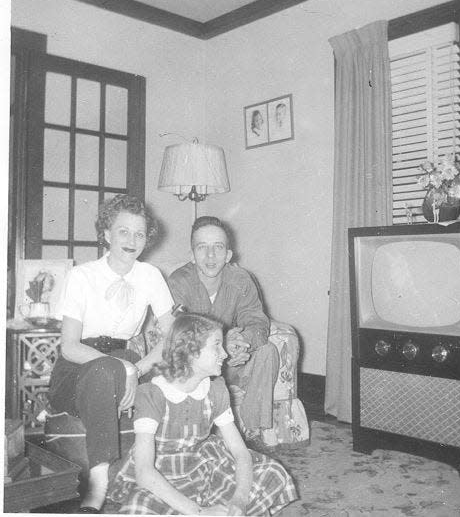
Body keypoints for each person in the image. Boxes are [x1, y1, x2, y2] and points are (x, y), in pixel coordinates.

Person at [47, 194, 175, 513]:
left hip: (126, 362)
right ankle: (99, 483)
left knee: (147, 378)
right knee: (108, 369)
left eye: (139, 234)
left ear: (147, 239)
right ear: (106, 234)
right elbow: (69, 346)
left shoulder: (150, 276)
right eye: (123, 231)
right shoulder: (82, 276)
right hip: (77, 368)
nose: (131, 240)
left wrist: (140, 367)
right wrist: (123, 366)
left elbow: (175, 332)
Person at [108, 313, 297, 515]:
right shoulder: (153, 394)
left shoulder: (216, 390)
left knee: (273, 472)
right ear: (191, 351)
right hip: (161, 474)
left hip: (203, 466)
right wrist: (198, 512)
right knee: (140, 507)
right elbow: (145, 472)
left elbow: (240, 452)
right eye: (216, 345)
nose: (224, 354)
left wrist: (239, 501)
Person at [167, 216, 279, 449]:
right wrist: (221, 345)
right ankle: (199, 437)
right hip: (196, 365)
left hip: (232, 363)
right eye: (202, 248)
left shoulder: (240, 279)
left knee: (267, 351)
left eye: (218, 247)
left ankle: (252, 435)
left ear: (228, 255)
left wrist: (243, 343)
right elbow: (179, 335)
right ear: (191, 255)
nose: (210, 256)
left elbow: (257, 322)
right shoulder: (179, 282)